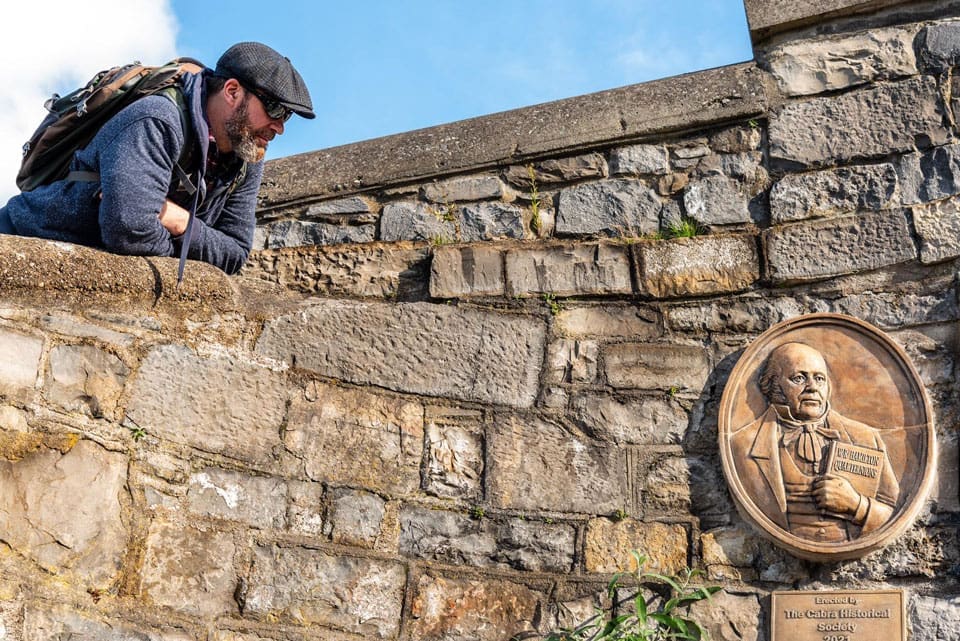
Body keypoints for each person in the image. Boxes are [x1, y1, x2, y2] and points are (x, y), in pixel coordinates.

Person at [0, 42, 314, 275]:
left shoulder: (247, 155)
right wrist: (194, 254)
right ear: (232, 91)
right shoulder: (158, 119)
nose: (280, 127)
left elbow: (235, 254)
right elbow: (128, 230)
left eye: (286, 115)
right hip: (22, 245)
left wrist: (179, 221)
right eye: (274, 109)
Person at [729, 342, 899, 542]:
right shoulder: (742, 445)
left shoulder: (865, 437)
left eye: (819, 379)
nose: (812, 388)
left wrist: (857, 505)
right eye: (799, 378)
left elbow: (894, 512)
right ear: (773, 384)